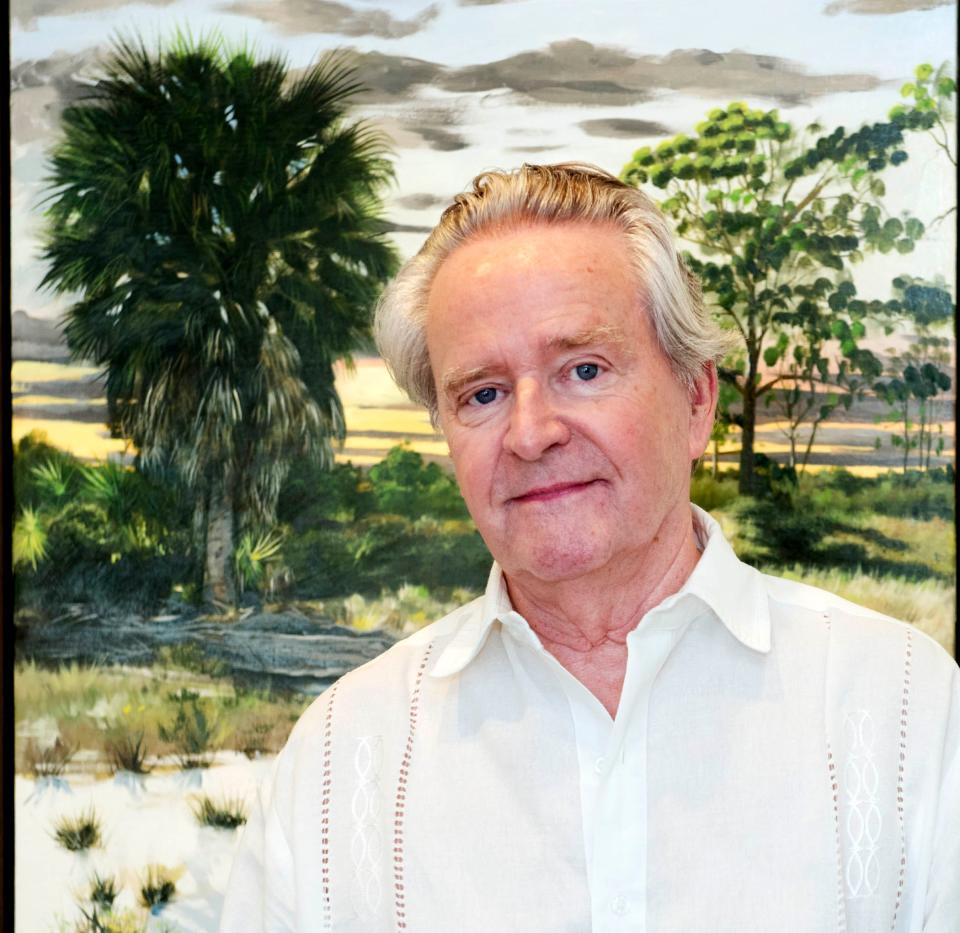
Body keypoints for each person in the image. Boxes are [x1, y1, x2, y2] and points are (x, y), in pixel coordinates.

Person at [220, 163, 958, 932]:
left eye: (583, 369)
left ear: (697, 398)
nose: (532, 432)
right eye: (482, 393)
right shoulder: (343, 760)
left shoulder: (905, 709)